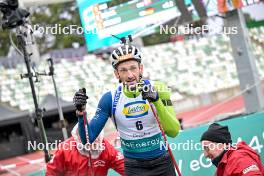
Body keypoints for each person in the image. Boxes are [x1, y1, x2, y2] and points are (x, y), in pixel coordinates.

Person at [73, 40, 181, 176]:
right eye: (123, 70)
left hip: (162, 162)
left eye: (133, 68)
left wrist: (157, 101)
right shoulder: (109, 98)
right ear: (117, 74)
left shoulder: (159, 88)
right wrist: (80, 113)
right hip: (134, 167)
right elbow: (87, 140)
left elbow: (174, 131)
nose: (130, 75)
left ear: (141, 68)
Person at [46, 122, 125, 176]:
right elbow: (51, 172)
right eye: (85, 136)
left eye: (94, 134)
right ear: (77, 136)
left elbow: (125, 167)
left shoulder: (107, 149)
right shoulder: (64, 149)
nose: (91, 139)